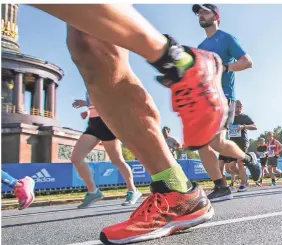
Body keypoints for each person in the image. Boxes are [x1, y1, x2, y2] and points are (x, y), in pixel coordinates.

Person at [29, 4, 237, 243]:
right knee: (88, 47)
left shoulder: (226, 38)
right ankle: (176, 191)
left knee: (90, 42)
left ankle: (182, 63)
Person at [190, 4, 260, 200]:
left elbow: (247, 61)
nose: (201, 15)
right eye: (199, 13)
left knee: (217, 142)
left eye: (205, 11)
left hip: (224, 96)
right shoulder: (201, 47)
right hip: (204, 100)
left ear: (216, 16)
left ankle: (248, 159)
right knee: (201, 144)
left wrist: (225, 68)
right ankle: (221, 187)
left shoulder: (226, 38)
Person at [71, 92, 142, 208]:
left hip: (107, 124)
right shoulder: (89, 84)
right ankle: (93, 192)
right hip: (93, 125)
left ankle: (133, 190)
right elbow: (95, 104)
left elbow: (113, 103)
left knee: (117, 161)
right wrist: (87, 109)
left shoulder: (105, 78)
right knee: (76, 158)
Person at [218, 100, 257, 193]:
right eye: (237, 107)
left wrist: (244, 126)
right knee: (230, 167)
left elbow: (255, 126)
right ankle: (244, 176)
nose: (238, 109)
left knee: (240, 162)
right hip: (232, 143)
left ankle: (243, 183)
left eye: (240, 107)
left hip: (242, 142)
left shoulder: (244, 117)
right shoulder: (229, 118)